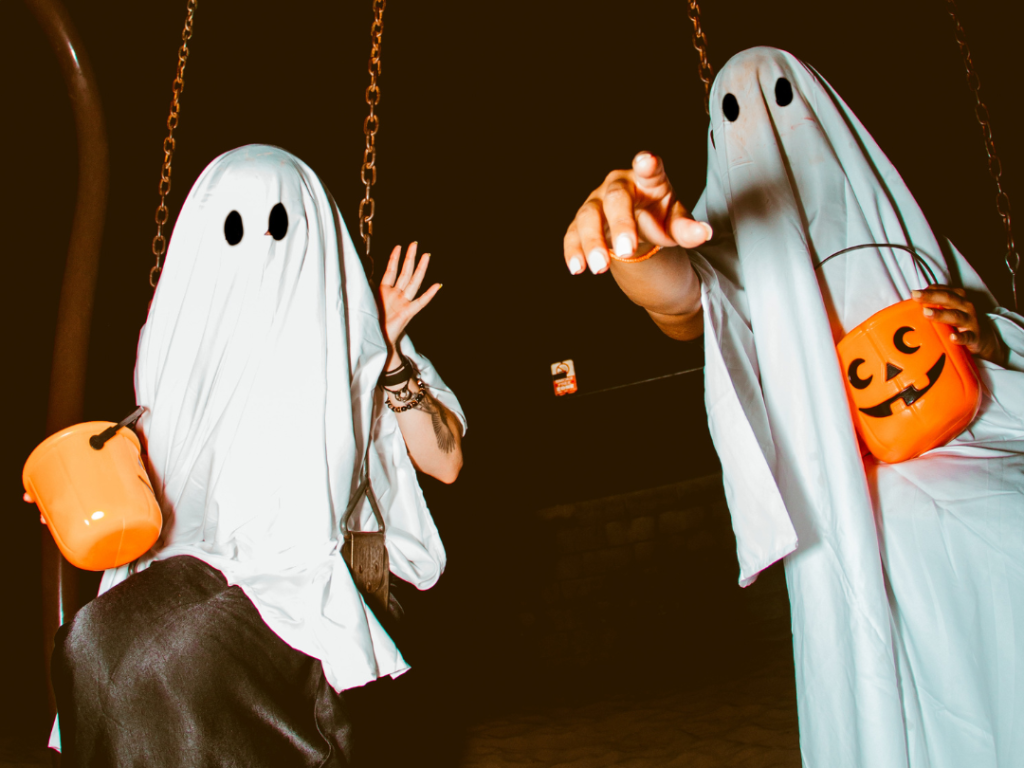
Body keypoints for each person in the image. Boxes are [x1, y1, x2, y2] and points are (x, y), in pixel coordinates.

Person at [563, 47, 1024, 767]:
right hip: (852, 503)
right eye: (736, 114)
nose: (769, 134)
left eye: (782, 96)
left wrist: (983, 335)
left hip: (970, 456)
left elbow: (998, 342)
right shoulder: (744, 252)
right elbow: (683, 300)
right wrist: (634, 247)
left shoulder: (900, 235)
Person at [44, 144, 464, 767]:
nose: (260, 247)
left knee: (175, 656)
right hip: (189, 576)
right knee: (91, 642)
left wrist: (390, 355)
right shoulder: (183, 352)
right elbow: (146, 476)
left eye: (280, 226)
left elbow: (445, 460)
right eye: (233, 230)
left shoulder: (358, 339)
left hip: (309, 585)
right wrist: (78, 482)